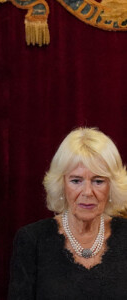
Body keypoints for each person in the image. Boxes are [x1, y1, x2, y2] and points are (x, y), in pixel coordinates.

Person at [8, 127, 127, 299]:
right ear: (61, 184)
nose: (87, 192)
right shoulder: (32, 240)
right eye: (76, 180)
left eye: (98, 181)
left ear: (112, 187)